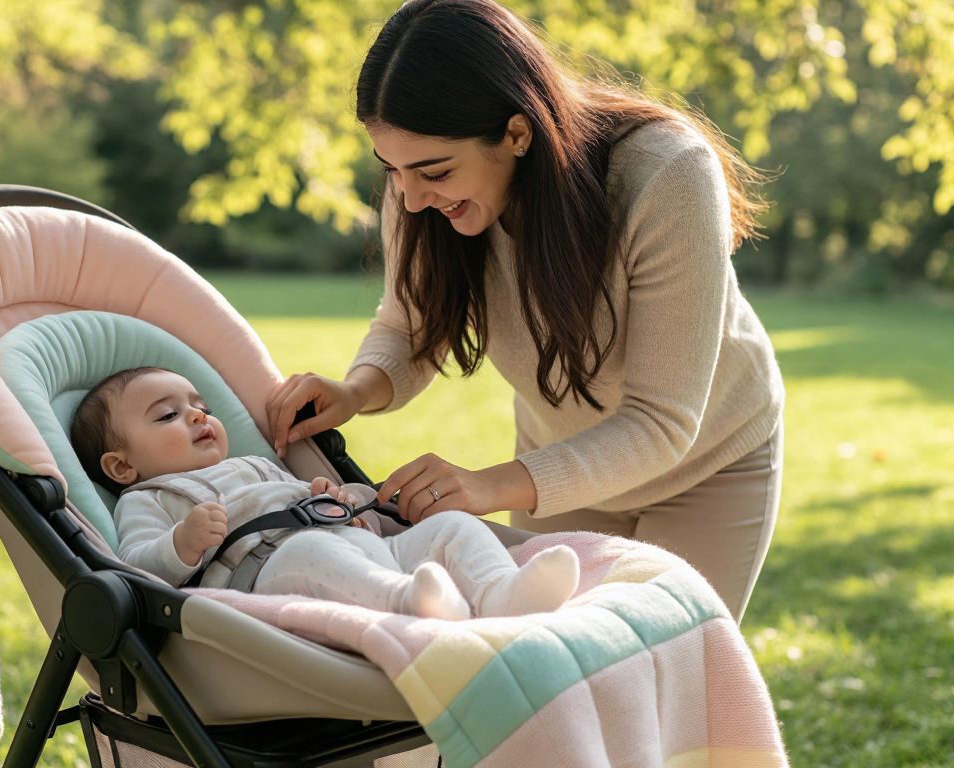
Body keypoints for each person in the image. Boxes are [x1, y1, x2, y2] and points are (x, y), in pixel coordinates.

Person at [265, 0, 784, 623]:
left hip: (710, 465)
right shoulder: (418, 193)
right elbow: (410, 326)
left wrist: (487, 485)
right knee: (559, 677)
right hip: (560, 462)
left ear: (516, 133)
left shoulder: (666, 173)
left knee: (673, 670)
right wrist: (355, 391)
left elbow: (661, 422)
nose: (409, 195)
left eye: (432, 170)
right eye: (392, 170)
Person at [70, 366, 580, 619]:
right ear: (121, 466)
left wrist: (345, 503)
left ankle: (503, 593)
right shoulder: (149, 498)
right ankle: (411, 603)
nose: (198, 415)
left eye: (199, 405)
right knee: (312, 551)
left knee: (452, 526)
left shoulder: (255, 465)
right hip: (263, 575)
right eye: (167, 415)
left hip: (355, 544)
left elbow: (339, 508)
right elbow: (136, 566)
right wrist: (182, 542)